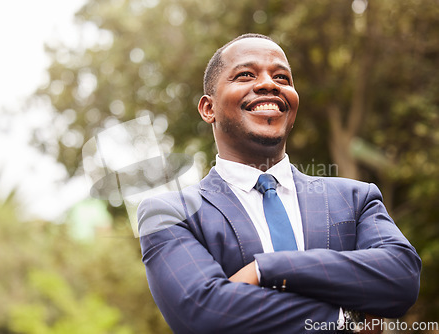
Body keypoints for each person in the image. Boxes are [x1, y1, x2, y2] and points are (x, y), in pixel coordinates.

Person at [137, 33, 421, 333]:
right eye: (245, 75)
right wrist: (345, 317)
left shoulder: (355, 198)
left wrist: (267, 269)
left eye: (282, 77)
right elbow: (205, 314)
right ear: (209, 109)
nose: (269, 84)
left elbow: (402, 277)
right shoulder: (169, 214)